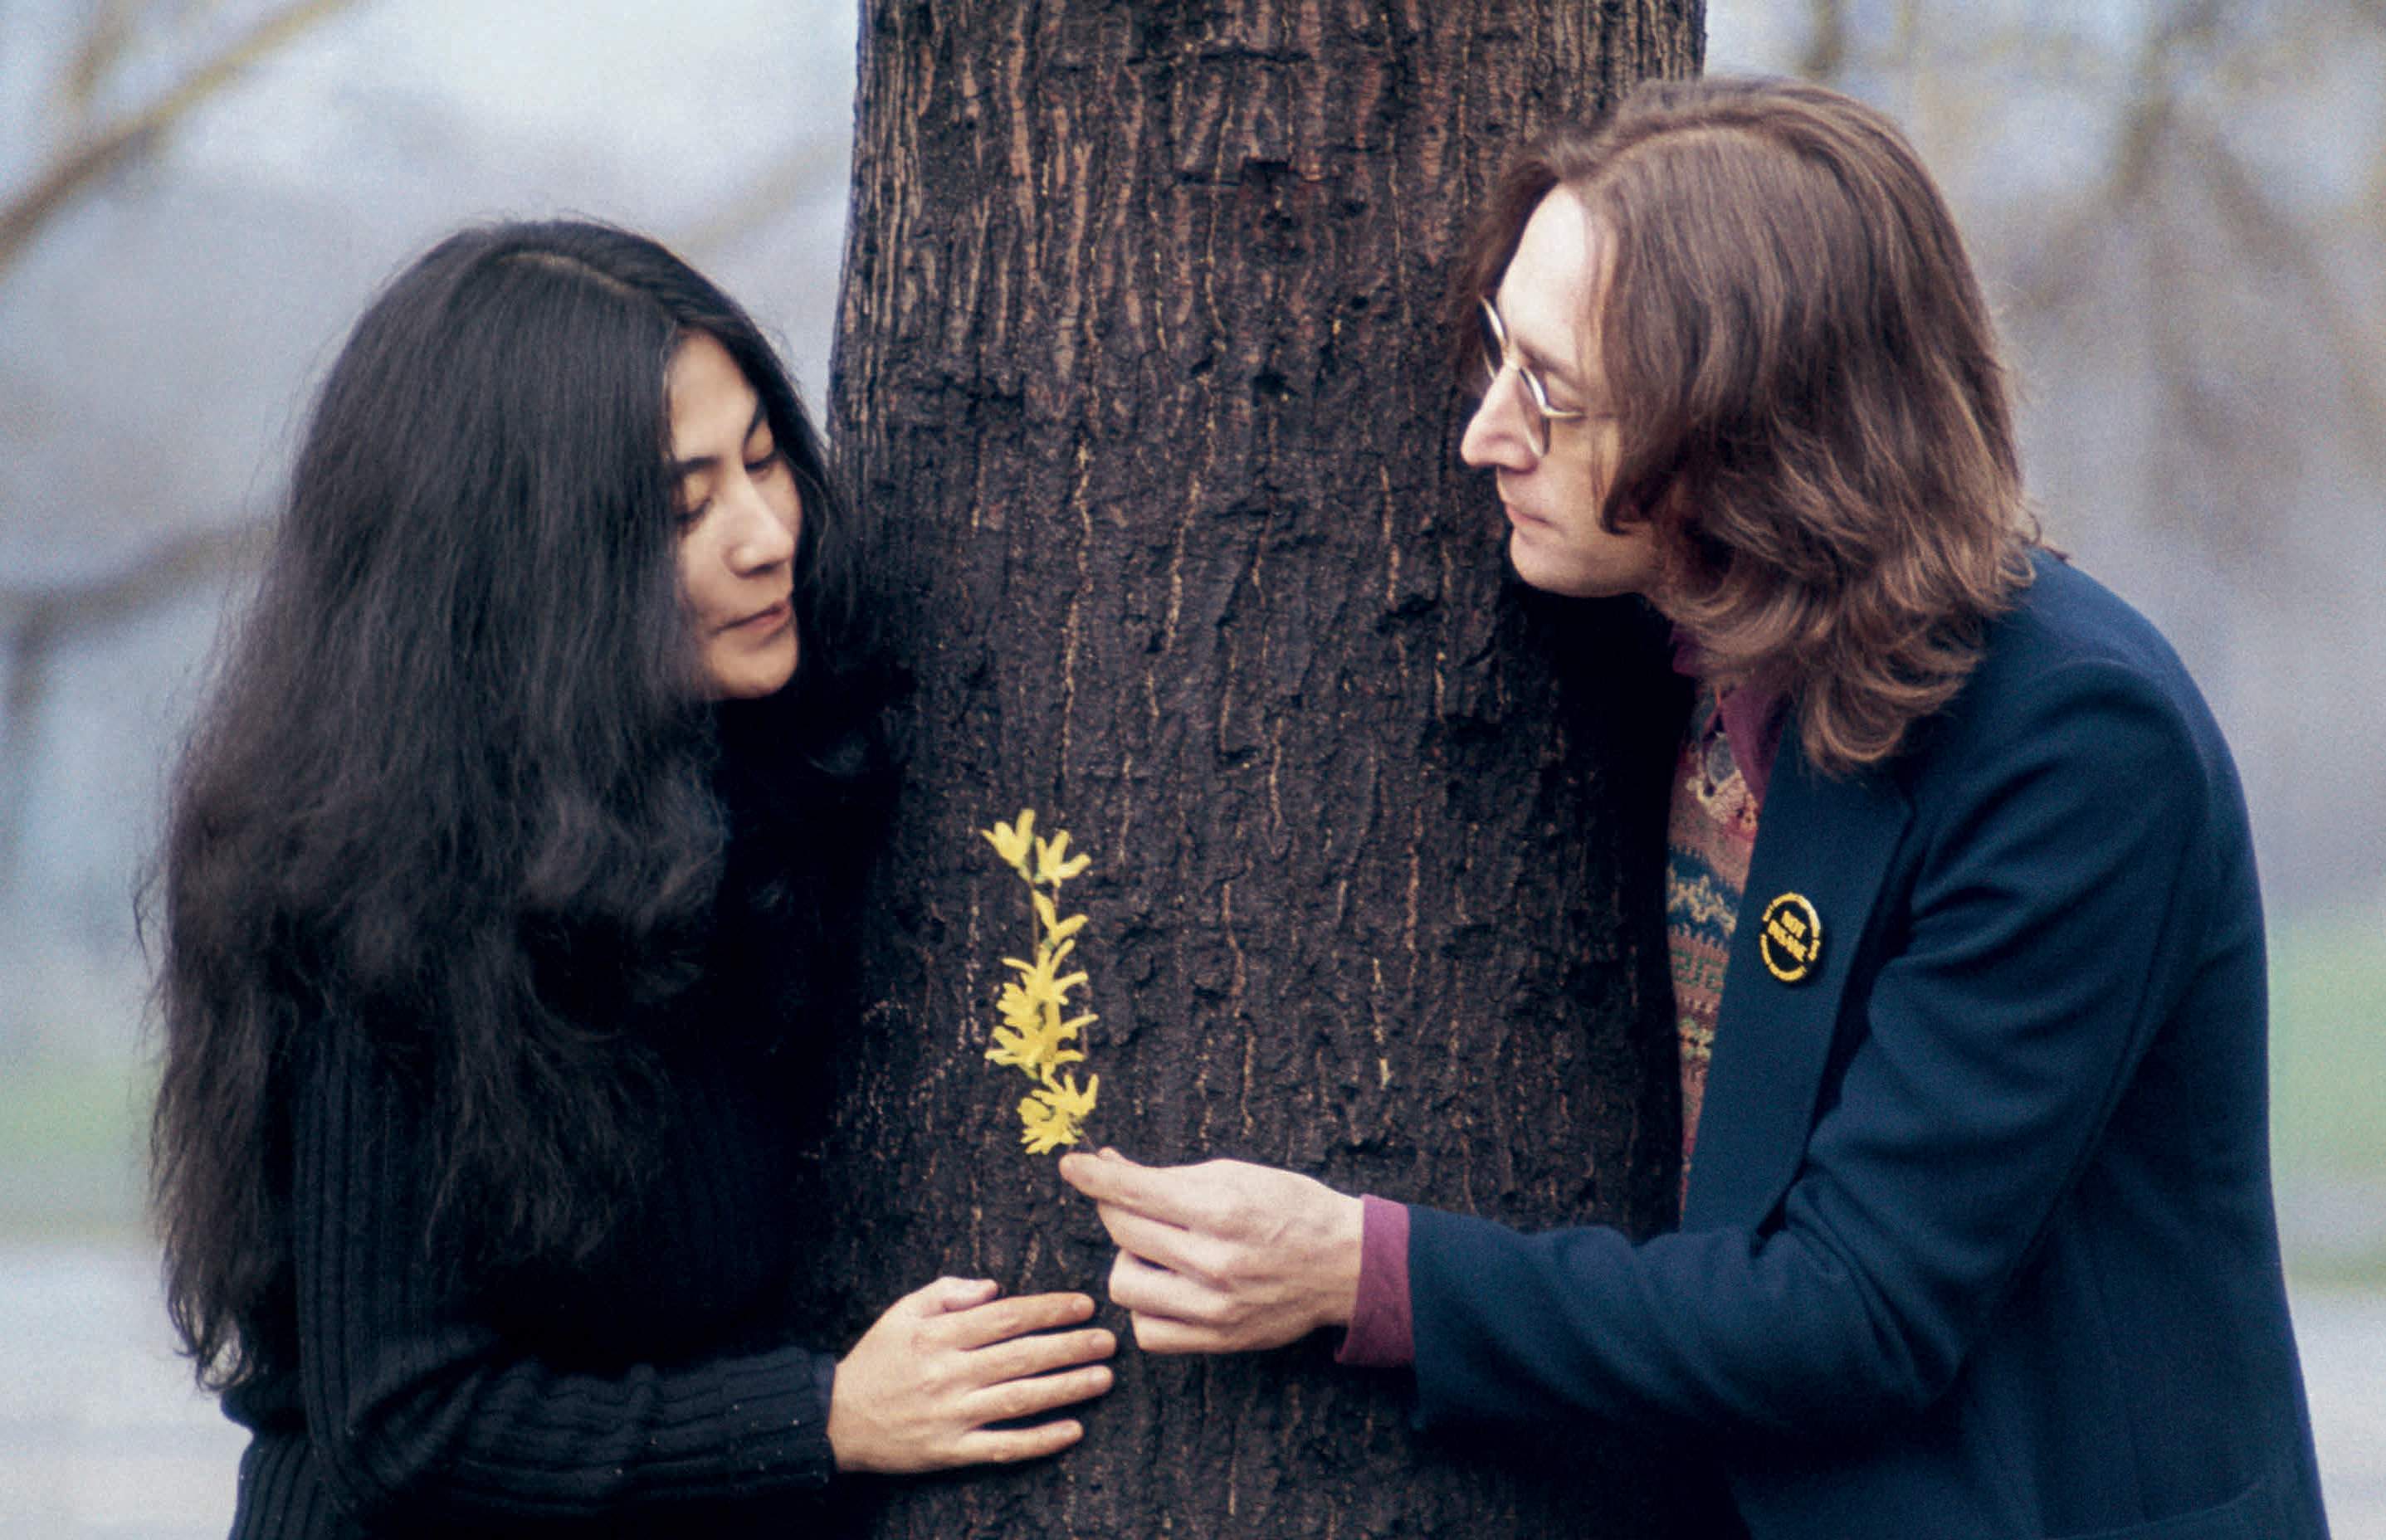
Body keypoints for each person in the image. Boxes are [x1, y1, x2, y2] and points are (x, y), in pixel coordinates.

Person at [1060, 76, 2330, 1539]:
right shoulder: (1663, 634)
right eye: (1498, 354)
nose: (1485, 435)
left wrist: (1365, 1272)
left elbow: (1854, 1312)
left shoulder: (2075, 747)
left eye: (1555, 392)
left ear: (1752, 436)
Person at [149, 220, 1115, 1537]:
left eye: (766, 462)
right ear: (525, 566)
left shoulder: (753, 782)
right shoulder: (381, 893)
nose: (767, 534)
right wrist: (823, 1418)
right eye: (683, 507)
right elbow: (406, 1422)